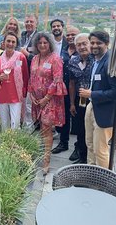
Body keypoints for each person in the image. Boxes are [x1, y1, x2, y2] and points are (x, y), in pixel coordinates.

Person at [79, 30, 116, 169]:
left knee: (100, 149)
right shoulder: (96, 60)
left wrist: (91, 94)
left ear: (107, 44)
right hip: (93, 106)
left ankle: (103, 182)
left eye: (99, 43)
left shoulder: (111, 62)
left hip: (105, 112)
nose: (94, 45)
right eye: (92, 43)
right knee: (90, 144)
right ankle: (92, 174)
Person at [28, 32, 67, 175]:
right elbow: (32, 78)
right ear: (36, 45)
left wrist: (46, 98)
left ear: (50, 44)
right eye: (40, 43)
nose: (43, 45)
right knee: (41, 128)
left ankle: (46, 161)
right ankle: (42, 154)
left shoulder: (55, 59)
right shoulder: (34, 58)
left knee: (46, 128)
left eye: (45, 42)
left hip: (50, 99)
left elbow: (58, 80)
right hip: (37, 99)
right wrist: (31, 94)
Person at [68, 33, 94, 164]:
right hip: (79, 99)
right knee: (80, 128)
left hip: (94, 99)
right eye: (79, 45)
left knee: (91, 130)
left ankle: (91, 159)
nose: (82, 47)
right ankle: (82, 156)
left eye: (85, 43)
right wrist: (72, 103)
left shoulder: (96, 60)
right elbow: (71, 83)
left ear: (90, 44)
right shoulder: (73, 60)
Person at [0, 32, 29, 130]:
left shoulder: (21, 57)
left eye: (13, 42)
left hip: (16, 94)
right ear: (4, 42)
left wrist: (25, 91)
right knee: (5, 123)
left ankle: (14, 144)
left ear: (16, 44)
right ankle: (5, 144)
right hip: (2, 93)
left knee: (15, 123)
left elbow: (25, 75)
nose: (10, 43)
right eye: (8, 41)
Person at [50, 19, 72, 155]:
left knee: (65, 113)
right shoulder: (48, 43)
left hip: (66, 84)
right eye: (54, 26)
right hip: (51, 83)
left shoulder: (69, 43)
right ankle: (55, 134)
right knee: (54, 111)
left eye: (58, 26)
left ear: (62, 27)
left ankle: (64, 142)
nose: (56, 28)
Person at [20, 14, 39, 132]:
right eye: (27, 22)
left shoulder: (39, 37)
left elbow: (40, 57)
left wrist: (26, 54)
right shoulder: (23, 35)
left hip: (33, 74)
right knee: (23, 100)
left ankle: (29, 127)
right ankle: (25, 123)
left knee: (29, 102)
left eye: (31, 22)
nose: (29, 24)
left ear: (36, 24)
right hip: (22, 72)